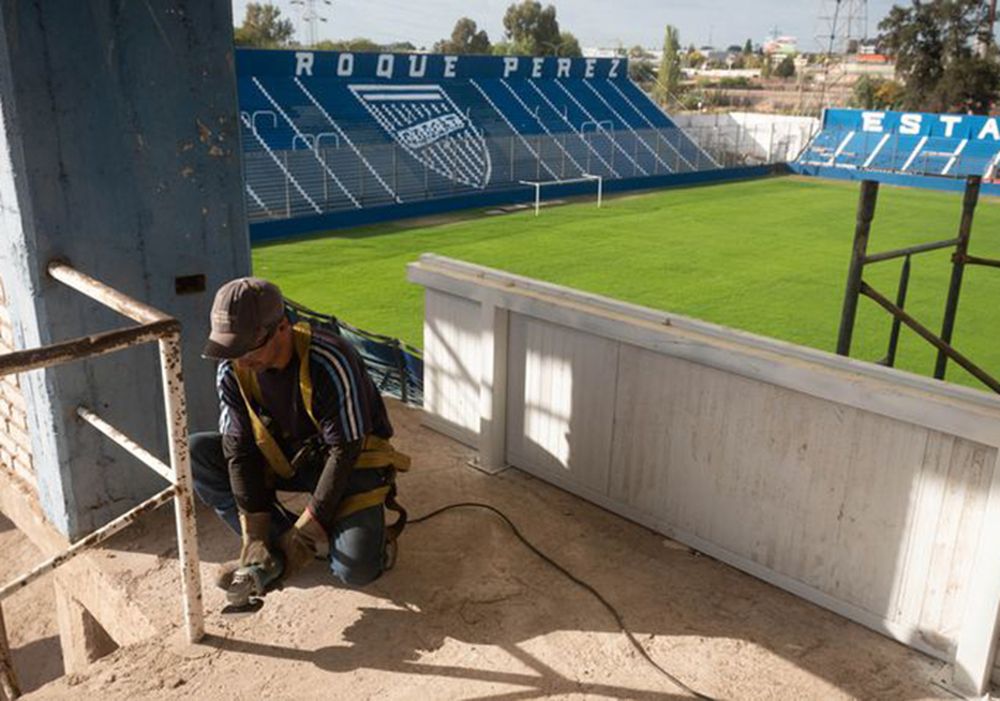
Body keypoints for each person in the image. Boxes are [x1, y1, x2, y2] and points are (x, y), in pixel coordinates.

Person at [191, 277, 408, 590]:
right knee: (198, 452)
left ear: (281, 328)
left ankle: (372, 548)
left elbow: (344, 452)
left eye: (248, 347)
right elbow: (238, 451)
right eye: (231, 348)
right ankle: (273, 552)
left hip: (351, 461)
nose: (240, 360)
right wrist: (255, 536)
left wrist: (305, 534)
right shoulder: (233, 369)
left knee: (355, 570)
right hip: (290, 457)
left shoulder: (330, 360)